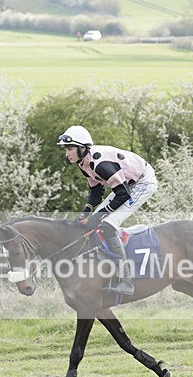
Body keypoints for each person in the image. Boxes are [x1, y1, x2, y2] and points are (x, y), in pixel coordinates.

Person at [57, 125, 158, 296]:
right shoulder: (83, 164)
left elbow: (123, 194)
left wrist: (98, 218)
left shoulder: (100, 165)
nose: (67, 154)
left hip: (142, 182)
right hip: (126, 185)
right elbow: (96, 193)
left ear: (82, 148)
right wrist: (85, 213)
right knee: (93, 221)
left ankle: (126, 281)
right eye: (66, 149)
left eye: (70, 149)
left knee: (108, 225)